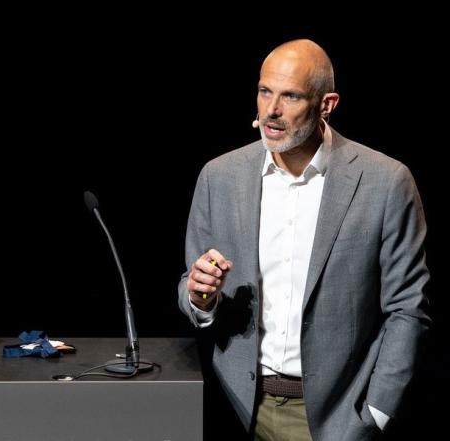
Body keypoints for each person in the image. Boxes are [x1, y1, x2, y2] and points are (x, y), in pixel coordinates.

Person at [177, 39, 430, 441]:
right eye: (265, 92)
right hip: (236, 407)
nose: (271, 111)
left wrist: (376, 412)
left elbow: (407, 307)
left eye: (290, 96)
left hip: (334, 417)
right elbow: (192, 288)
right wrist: (199, 296)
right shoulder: (219, 177)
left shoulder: (385, 182)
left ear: (326, 104)